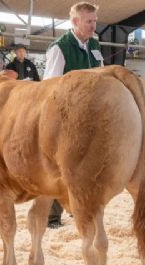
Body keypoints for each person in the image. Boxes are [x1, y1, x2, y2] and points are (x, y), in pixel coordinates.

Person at [43, 1, 103, 228]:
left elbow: (101, 75)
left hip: (91, 115)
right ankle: (51, 217)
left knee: (85, 167)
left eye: (95, 21)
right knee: (62, 168)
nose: (93, 25)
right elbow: (49, 87)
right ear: (75, 22)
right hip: (66, 118)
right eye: (89, 21)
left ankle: (76, 209)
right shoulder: (60, 47)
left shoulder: (95, 44)